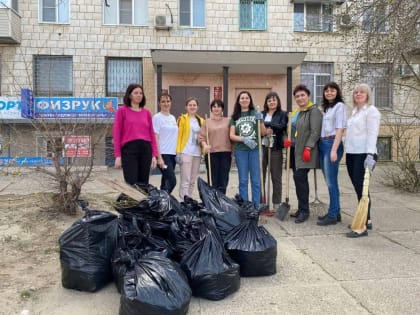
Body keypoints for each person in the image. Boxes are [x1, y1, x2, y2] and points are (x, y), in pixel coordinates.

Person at [345, 83, 381, 238]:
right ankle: (368, 219)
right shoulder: (354, 112)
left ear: (368, 95)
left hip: (364, 154)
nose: (358, 94)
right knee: (358, 188)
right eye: (356, 92)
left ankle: (362, 226)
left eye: (362, 92)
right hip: (352, 153)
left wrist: (370, 155)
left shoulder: (371, 111)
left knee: (362, 189)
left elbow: (373, 133)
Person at [284, 84, 322, 223]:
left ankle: (305, 211)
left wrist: (308, 147)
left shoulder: (314, 111)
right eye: (297, 96)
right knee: (297, 179)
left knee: (300, 179)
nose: (300, 98)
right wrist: (288, 140)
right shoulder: (296, 112)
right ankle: (301, 208)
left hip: (306, 150)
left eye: (302, 95)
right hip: (295, 149)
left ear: (308, 96)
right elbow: (292, 130)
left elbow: (315, 131)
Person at [113, 83, 164, 186]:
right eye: (136, 93)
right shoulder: (122, 111)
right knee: (131, 182)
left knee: (143, 183)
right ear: (130, 95)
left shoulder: (147, 113)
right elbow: (117, 134)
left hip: (145, 149)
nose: (139, 95)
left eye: (141, 93)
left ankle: (142, 201)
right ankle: (132, 202)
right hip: (129, 150)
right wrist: (118, 156)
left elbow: (152, 135)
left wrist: (154, 156)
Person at [317, 82, 347, 226]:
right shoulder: (328, 109)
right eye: (326, 90)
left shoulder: (340, 106)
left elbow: (340, 129)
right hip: (323, 144)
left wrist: (334, 150)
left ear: (337, 92)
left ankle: (333, 214)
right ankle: (337, 212)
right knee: (329, 181)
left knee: (331, 183)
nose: (329, 93)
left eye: (332, 90)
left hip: (331, 144)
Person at [229, 91, 266, 206]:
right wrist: (244, 139)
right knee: (243, 180)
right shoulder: (235, 116)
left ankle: (256, 207)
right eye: (242, 98)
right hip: (241, 151)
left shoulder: (255, 113)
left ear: (250, 100)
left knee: (256, 180)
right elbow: (231, 135)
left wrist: (260, 121)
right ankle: (245, 207)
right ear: (239, 101)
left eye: (246, 98)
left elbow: (263, 132)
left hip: (255, 150)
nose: (244, 100)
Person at [199, 99, 232, 194]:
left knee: (224, 178)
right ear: (211, 109)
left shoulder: (228, 121)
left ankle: (222, 199)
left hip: (225, 153)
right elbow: (201, 137)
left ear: (222, 109)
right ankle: (213, 200)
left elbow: (233, 135)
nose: (216, 108)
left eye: (219, 106)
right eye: (214, 106)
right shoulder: (207, 122)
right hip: (211, 153)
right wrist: (205, 145)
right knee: (213, 178)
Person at [261, 92, 288, 210]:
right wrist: (270, 126)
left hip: (275, 148)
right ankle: (261, 203)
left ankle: (276, 204)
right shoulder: (261, 114)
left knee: (276, 177)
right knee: (260, 176)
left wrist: (266, 125)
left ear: (277, 102)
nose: (271, 102)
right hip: (262, 148)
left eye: (274, 100)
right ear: (266, 103)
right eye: (269, 100)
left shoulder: (283, 114)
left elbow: (281, 126)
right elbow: (257, 126)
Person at [176, 97, 204, 200]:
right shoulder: (182, 119)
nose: (192, 107)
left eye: (194, 105)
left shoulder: (201, 120)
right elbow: (179, 136)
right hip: (186, 151)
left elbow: (203, 136)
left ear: (197, 107)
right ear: (186, 107)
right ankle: (184, 200)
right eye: (190, 105)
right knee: (186, 178)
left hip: (197, 153)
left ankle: (190, 199)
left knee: (192, 180)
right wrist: (178, 152)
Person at [152, 93, 178, 194]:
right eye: (163, 101)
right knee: (172, 180)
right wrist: (159, 157)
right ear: (159, 103)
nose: (166, 103)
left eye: (168, 101)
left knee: (166, 181)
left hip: (172, 154)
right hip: (163, 153)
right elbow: (155, 137)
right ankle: (162, 199)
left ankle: (163, 203)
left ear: (171, 103)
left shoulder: (172, 118)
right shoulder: (157, 118)